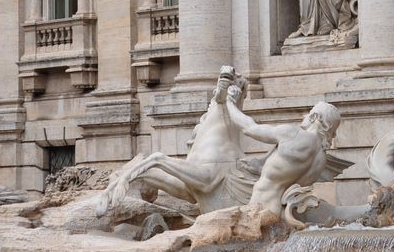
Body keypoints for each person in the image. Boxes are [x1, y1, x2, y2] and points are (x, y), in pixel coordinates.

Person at [95, 66, 260, 216]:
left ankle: (122, 182)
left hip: (228, 191)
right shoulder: (215, 112)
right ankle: (115, 187)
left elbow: (205, 181)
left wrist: (228, 89)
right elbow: (188, 191)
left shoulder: (231, 111)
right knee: (153, 166)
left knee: (157, 158)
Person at [224, 81, 348, 216]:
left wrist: (230, 102)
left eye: (308, 114)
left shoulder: (293, 135)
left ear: (315, 117)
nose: (304, 117)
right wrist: (260, 166)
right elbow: (286, 175)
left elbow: (249, 128)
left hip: (261, 209)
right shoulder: (321, 159)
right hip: (286, 215)